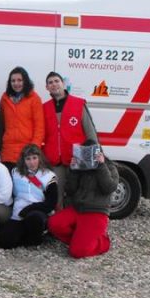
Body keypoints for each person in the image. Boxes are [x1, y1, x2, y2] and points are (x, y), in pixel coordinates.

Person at [48, 140, 117, 259]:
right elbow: (70, 190)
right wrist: (73, 170)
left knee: (77, 252)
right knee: (54, 224)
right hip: (77, 209)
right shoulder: (81, 167)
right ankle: (81, 239)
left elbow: (109, 187)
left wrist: (101, 165)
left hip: (96, 212)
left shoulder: (109, 167)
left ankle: (103, 242)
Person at [42, 71, 98, 206]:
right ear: (47, 87)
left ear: (63, 84)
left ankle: (77, 224)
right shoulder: (44, 108)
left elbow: (90, 132)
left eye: (57, 81)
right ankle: (59, 224)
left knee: (78, 194)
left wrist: (94, 155)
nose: (54, 84)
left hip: (78, 158)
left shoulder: (78, 103)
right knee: (57, 196)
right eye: (50, 82)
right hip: (55, 161)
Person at [0, 144, 58, 249]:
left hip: (38, 211)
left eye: (34, 158)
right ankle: (24, 235)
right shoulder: (15, 172)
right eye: (28, 159)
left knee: (34, 219)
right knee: (4, 242)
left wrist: (30, 208)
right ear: (23, 160)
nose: (32, 162)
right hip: (18, 213)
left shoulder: (48, 175)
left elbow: (51, 203)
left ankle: (36, 237)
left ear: (40, 158)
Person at [0, 66, 44, 169]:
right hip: (8, 151)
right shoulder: (5, 98)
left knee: (25, 184)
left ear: (26, 81)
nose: (16, 83)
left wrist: (34, 149)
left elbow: (39, 127)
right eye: (13, 80)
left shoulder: (34, 99)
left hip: (27, 152)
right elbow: (1, 124)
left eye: (19, 80)